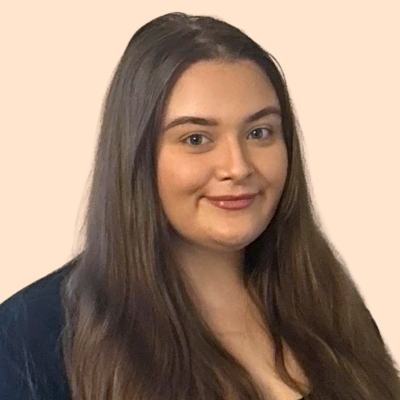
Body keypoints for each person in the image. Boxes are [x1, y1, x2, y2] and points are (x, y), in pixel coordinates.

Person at [0, 11, 399, 400]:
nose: (237, 167)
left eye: (259, 133)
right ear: (136, 157)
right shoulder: (29, 338)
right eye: (196, 139)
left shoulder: (327, 302)